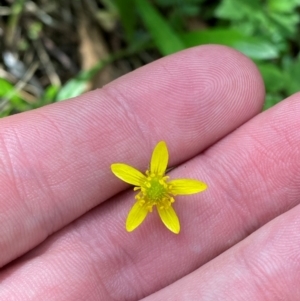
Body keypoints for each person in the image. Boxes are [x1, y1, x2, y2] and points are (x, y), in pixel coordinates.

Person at [0, 45, 299, 300]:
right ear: (147, 184)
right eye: (153, 188)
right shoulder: (140, 185)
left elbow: (175, 184)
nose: (156, 190)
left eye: (158, 187)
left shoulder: (170, 188)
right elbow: (127, 178)